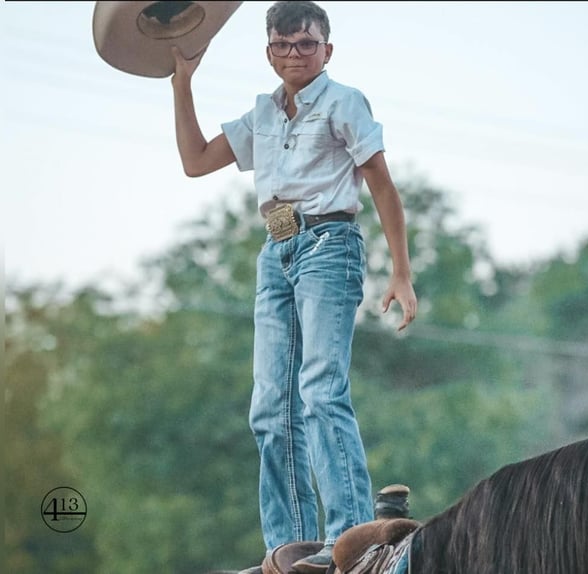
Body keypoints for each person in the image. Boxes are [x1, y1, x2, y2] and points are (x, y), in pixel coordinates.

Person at [170, 1, 417, 571]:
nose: (295, 54)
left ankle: (352, 538)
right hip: (274, 253)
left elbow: (381, 182)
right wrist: (182, 83)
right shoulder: (262, 114)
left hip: (329, 246)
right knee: (268, 406)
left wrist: (400, 269)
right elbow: (195, 159)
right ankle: (290, 546)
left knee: (320, 390)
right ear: (269, 53)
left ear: (327, 50)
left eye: (306, 44)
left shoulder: (343, 102)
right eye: (283, 45)